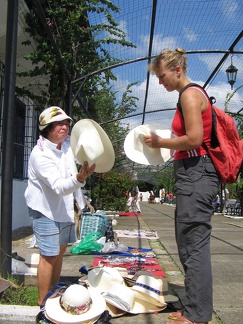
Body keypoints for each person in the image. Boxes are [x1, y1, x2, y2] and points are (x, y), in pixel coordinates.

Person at [144, 48, 219, 324]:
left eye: (162, 76)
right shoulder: (187, 95)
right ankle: (192, 306)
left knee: (195, 244)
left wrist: (161, 143)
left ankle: (198, 315)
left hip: (197, 173)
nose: (160, 82)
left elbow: (195, 139)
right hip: (192, 174)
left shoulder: (189, 95)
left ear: (177, 70)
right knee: (187, 244)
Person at [24, 106, 96, 308]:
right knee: (48, 256)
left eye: (66, 123)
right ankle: (42, 302)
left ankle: (54, 294)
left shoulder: (65, 147)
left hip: (63, 209)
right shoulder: (40, 154)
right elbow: (57, 186)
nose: (64, 127)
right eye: (59, 124)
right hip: (44, 210)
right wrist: (80, 178)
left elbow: (84, 151)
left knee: (59, 253)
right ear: (46, 128)